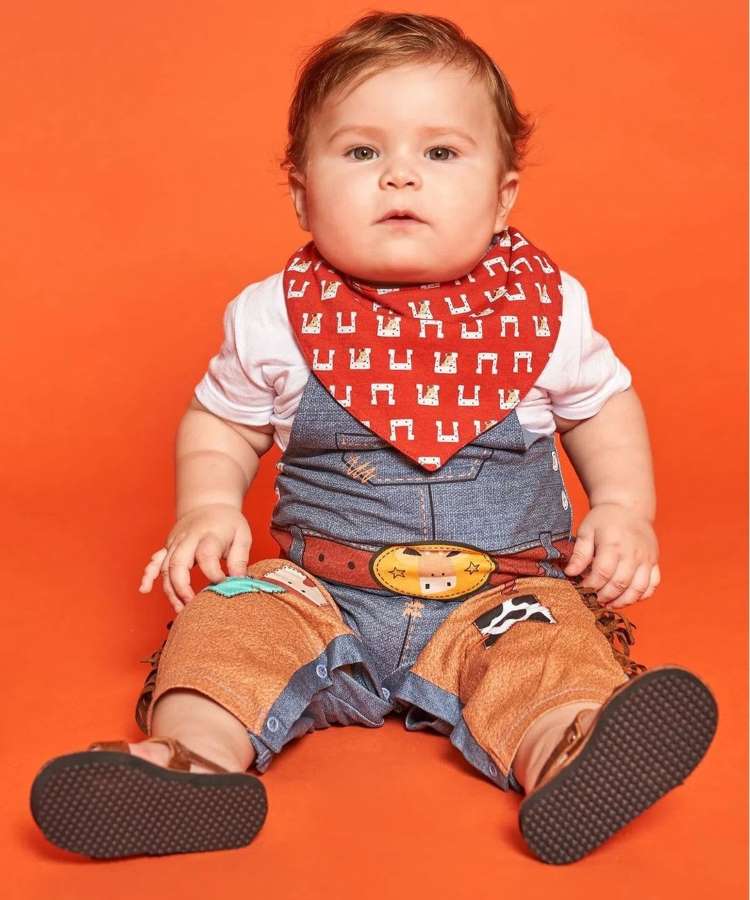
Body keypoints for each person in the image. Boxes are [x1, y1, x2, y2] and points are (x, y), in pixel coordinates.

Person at [30, 12, 717, 865]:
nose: (399, 176)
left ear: (505, 195)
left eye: (440, 153)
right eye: (360, 153)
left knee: (550, 650)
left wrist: (625, 506)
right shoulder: (274, 316)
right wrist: (206, 504)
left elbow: (599, 408)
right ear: (300, 192)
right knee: (226, 628)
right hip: (319, 592)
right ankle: (188, 760)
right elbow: (221, 420)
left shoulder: (548, 310)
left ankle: (571, 752)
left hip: (496, 597)